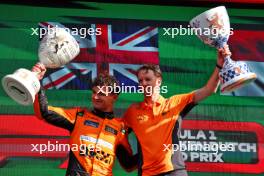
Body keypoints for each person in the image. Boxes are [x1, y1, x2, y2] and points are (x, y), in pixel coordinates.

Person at [123, 45, 231, 176]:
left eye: (148, 79)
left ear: (158, 81)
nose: (143, 84)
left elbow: (208, 90)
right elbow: (118, 131)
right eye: (140, 81)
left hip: (174, 171)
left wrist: (219, 66)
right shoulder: (133, 111)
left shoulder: (175, 102)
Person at [33, 63, 137, 176]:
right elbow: (44, 112)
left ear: (114, 97)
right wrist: (37, 82)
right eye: (94, 92)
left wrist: (152, 151)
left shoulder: (119, 128)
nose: (95, 97)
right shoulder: (78, 116)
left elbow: (129, 165)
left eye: (101, 94)